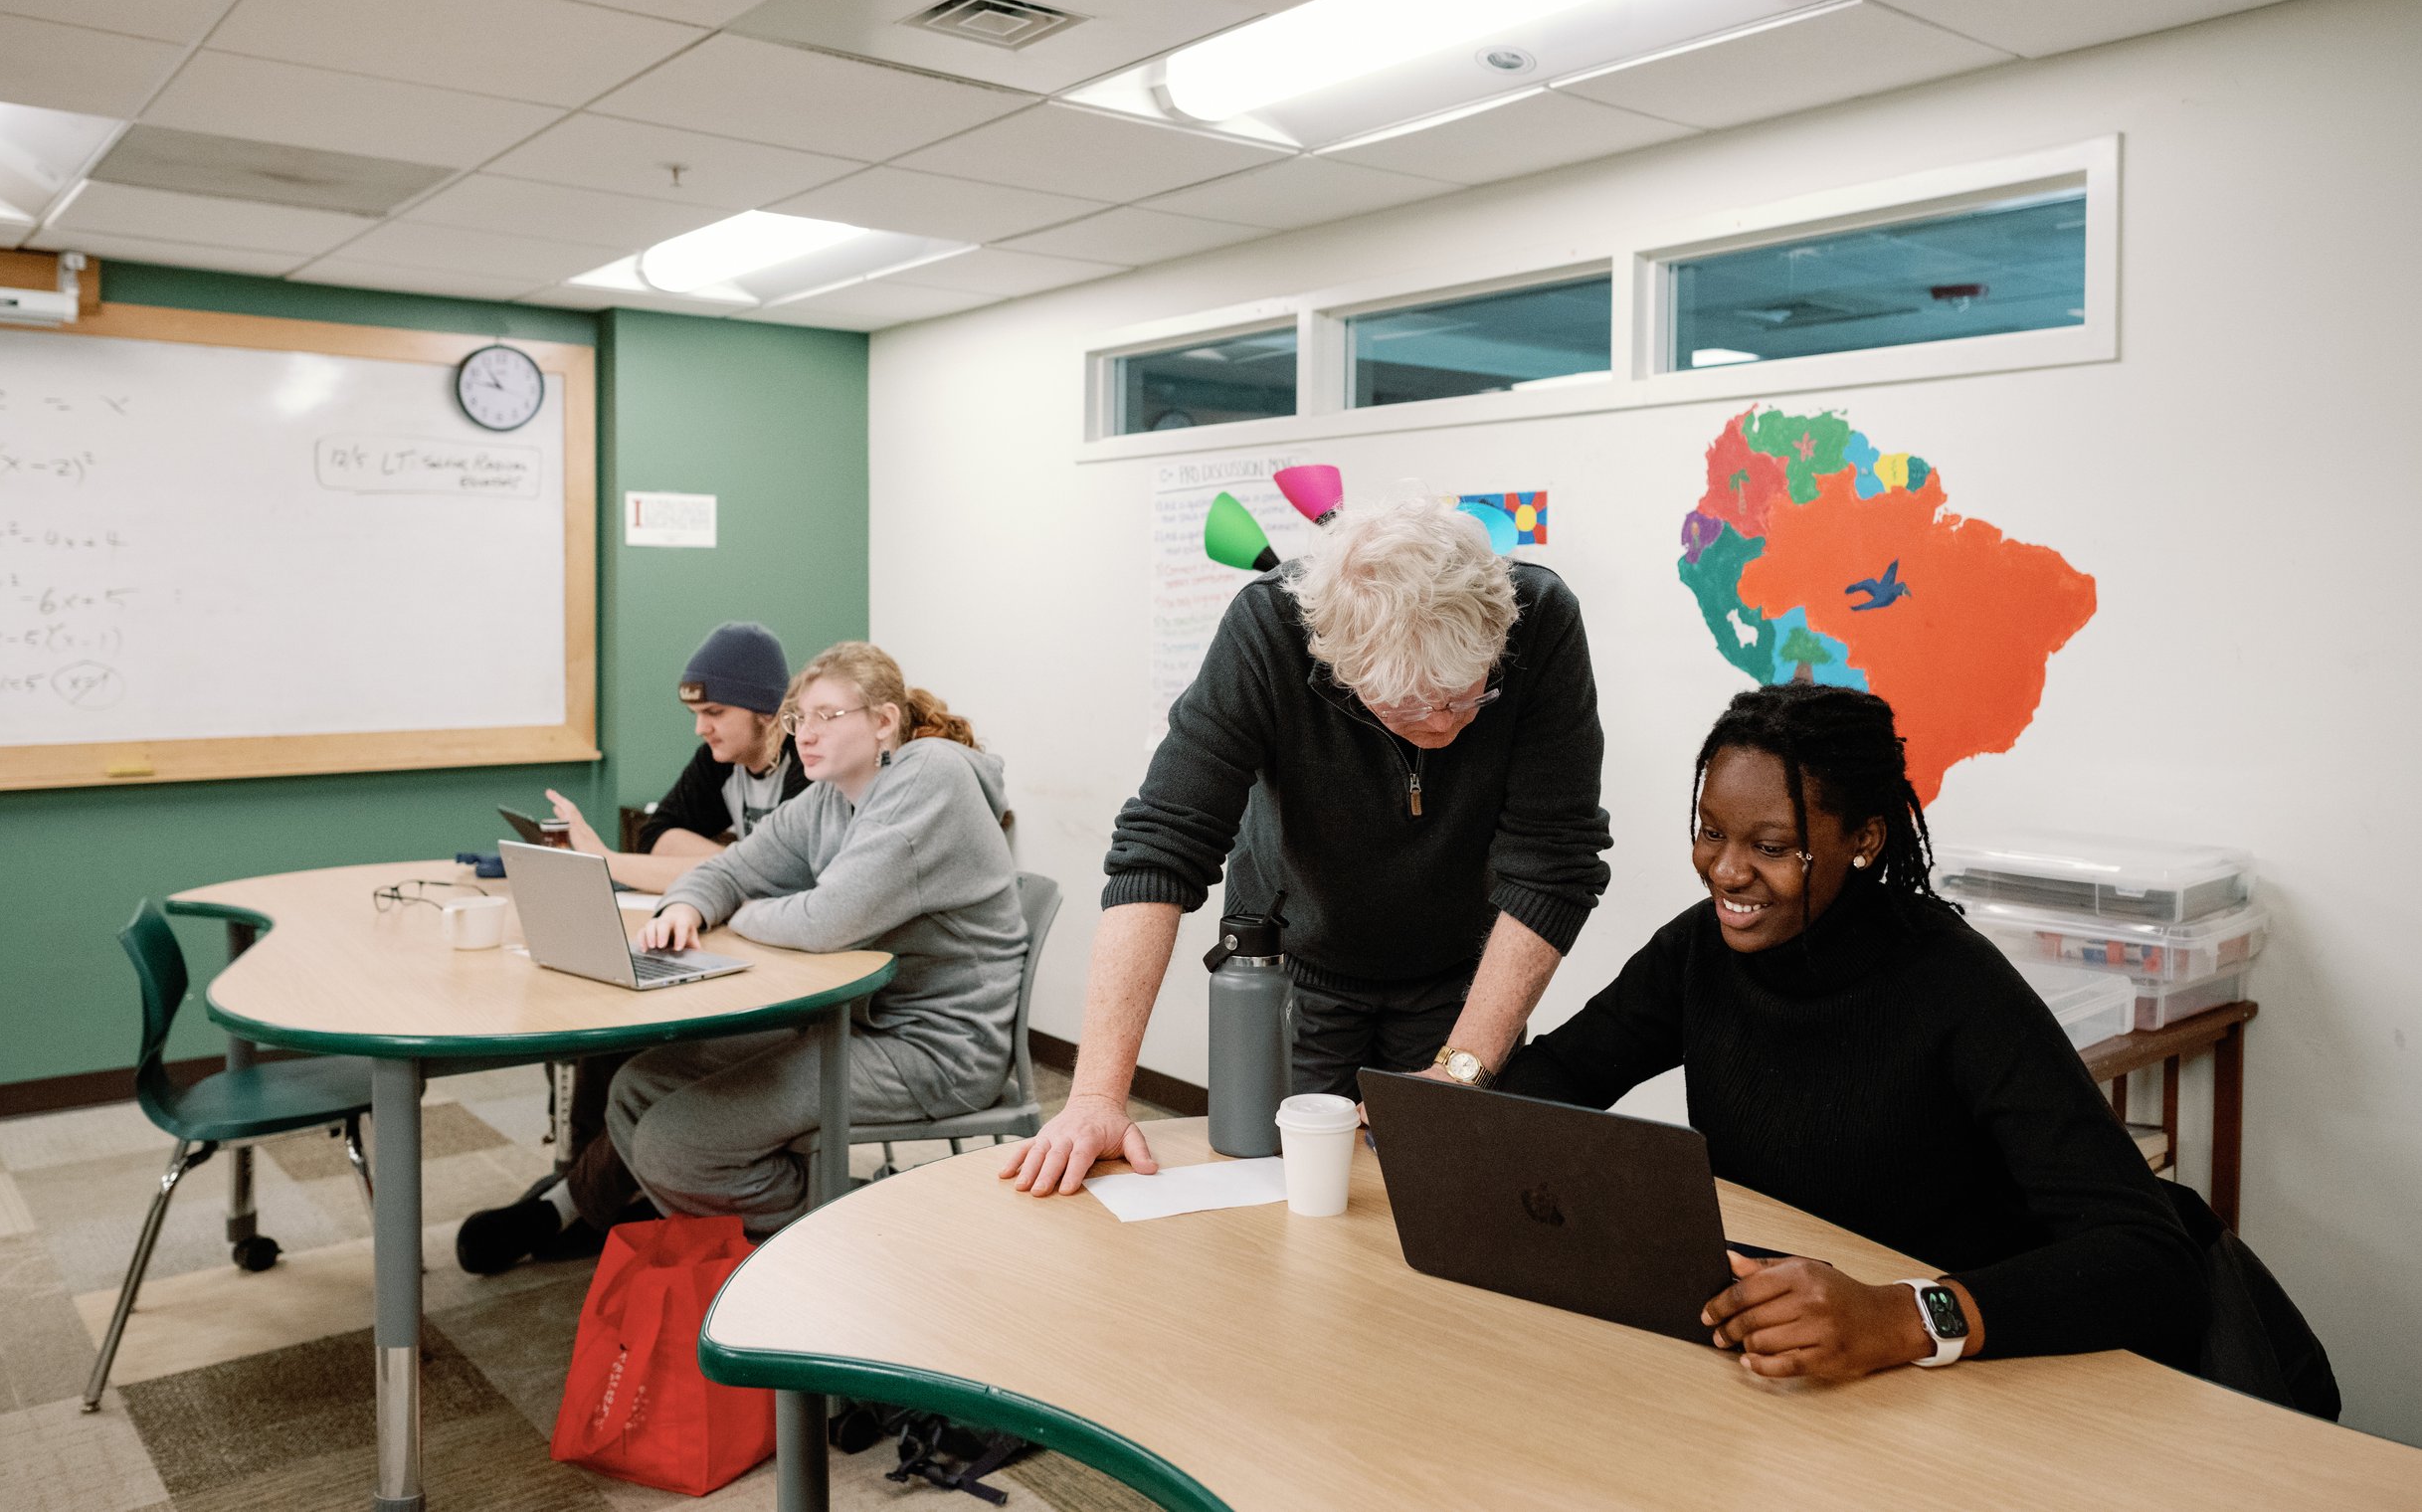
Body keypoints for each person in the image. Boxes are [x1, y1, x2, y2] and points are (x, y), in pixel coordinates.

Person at [1499, 682, 2210, 1379]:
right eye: (1711, 831)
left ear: (1864, 839)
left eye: (1773, 847)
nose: (1725, 869)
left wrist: (1903, 1319)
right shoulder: (1699, 950)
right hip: (1782, 1357)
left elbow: (2149, 1257)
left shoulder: (1955, 984)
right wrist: (1440, 1113)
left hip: (1967, 1380)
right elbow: (1562, 1074)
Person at [1005, 494, 1612, 1197]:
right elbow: (1161, 848)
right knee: (1276, 1195)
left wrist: (1461, 1069)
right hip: (1292, 971)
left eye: (1464, 696)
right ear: (1341, 666)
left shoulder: (1541, 620)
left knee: (1444, 1198)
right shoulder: (1270, 628)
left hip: (1461, 977)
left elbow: (1554, 861)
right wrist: (1096, 1097)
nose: (1443, 723)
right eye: (1408, 704)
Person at [457, 643, 1025, 1265]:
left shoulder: (929, 781)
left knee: (676, 1147)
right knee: (637, 1087)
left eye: (826, 716)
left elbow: (827, 918)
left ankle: (861, 1230)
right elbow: (729, 869)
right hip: (855, 1022)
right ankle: (818, 1213)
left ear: (884, 721)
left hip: (937, 1050)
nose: (805, 735)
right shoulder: (833, 795)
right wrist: (688, 907)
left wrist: (744, 913)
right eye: (798, 719)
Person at [543, 622, 808, 894]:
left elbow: (780, 874)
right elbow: (655, 835)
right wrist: (738, 861)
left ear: (766, 710)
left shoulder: (809, 759)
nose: (701, 729)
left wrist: (608, 861)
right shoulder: (720, 760)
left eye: (715, 712)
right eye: (696, 714)